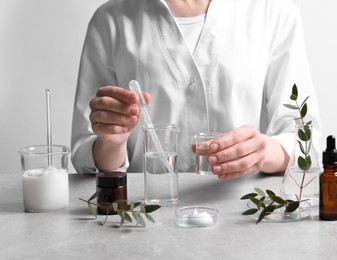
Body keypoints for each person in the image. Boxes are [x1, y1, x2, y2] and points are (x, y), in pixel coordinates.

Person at [71, 0, 322, 179]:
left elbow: (307, 142)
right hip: (144, 222)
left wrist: (264, 151)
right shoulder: (110, 20)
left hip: (243, 222)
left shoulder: (274, 12)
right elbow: (84, 155)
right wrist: (112, 143)